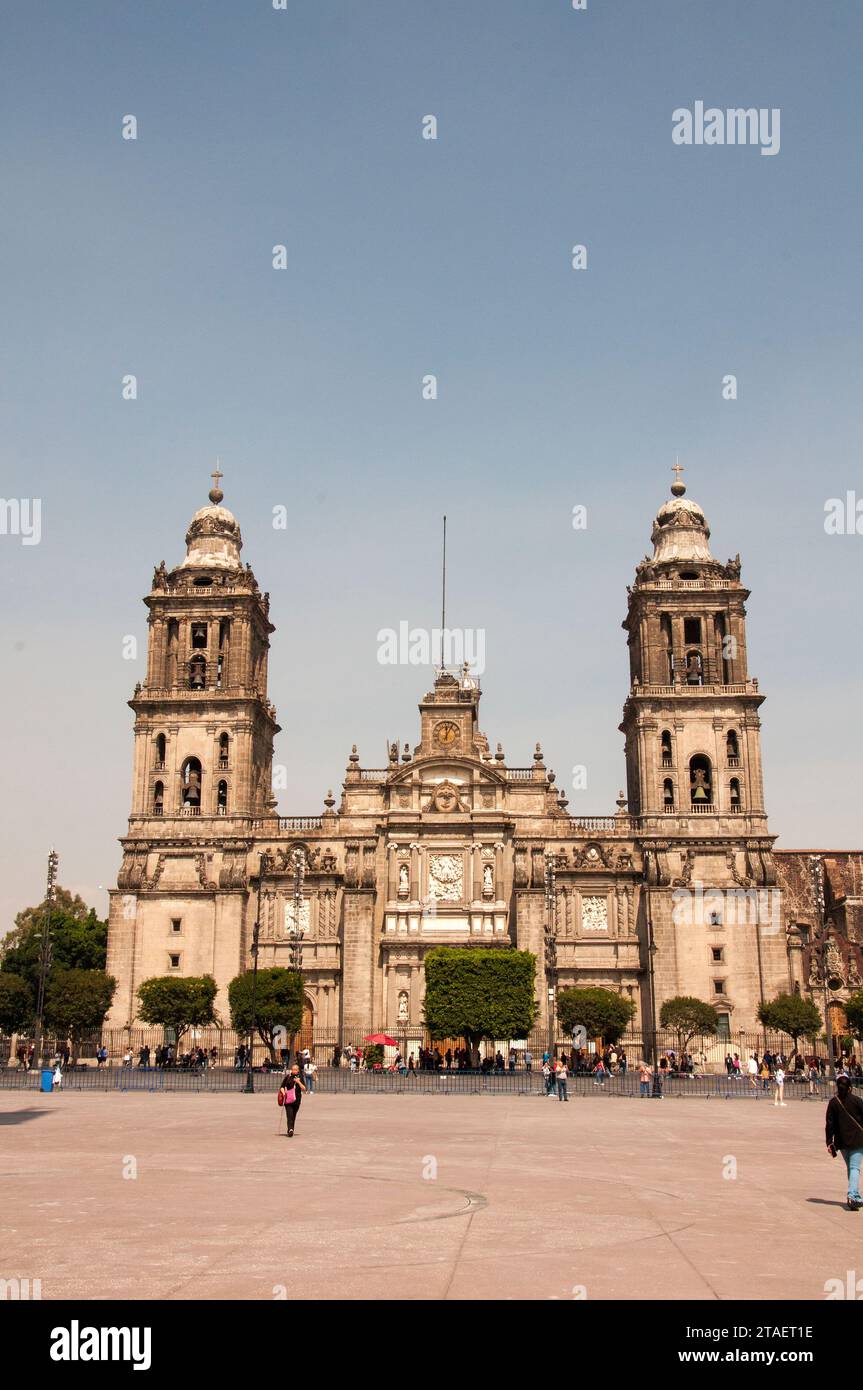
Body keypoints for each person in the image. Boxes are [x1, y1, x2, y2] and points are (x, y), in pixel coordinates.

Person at [825, 1074, 863, 1210]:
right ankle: (852, 1195)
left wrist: (829, 1142)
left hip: (841, 1142)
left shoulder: (833, 1102)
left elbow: (829, 1124)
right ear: (850, 1088)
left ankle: (856, 1195)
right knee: (854, 1168)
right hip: (858, 1140)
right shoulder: (857, 1101)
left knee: (851, 1168)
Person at [279, 1065, 307, 1137]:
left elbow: (304, 1088)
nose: (294, 1071)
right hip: (288, 1100)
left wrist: (298, 1082)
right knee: (289, 1115)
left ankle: (291, 1129)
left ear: (298, 1070)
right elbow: (282, 1087)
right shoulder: (288, 1077)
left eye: (295, 1070)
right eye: (293, 1069)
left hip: (297, 1100)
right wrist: (283, 1092)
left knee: (293, 1116)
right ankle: (290, 1129)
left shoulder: (300, 1077)